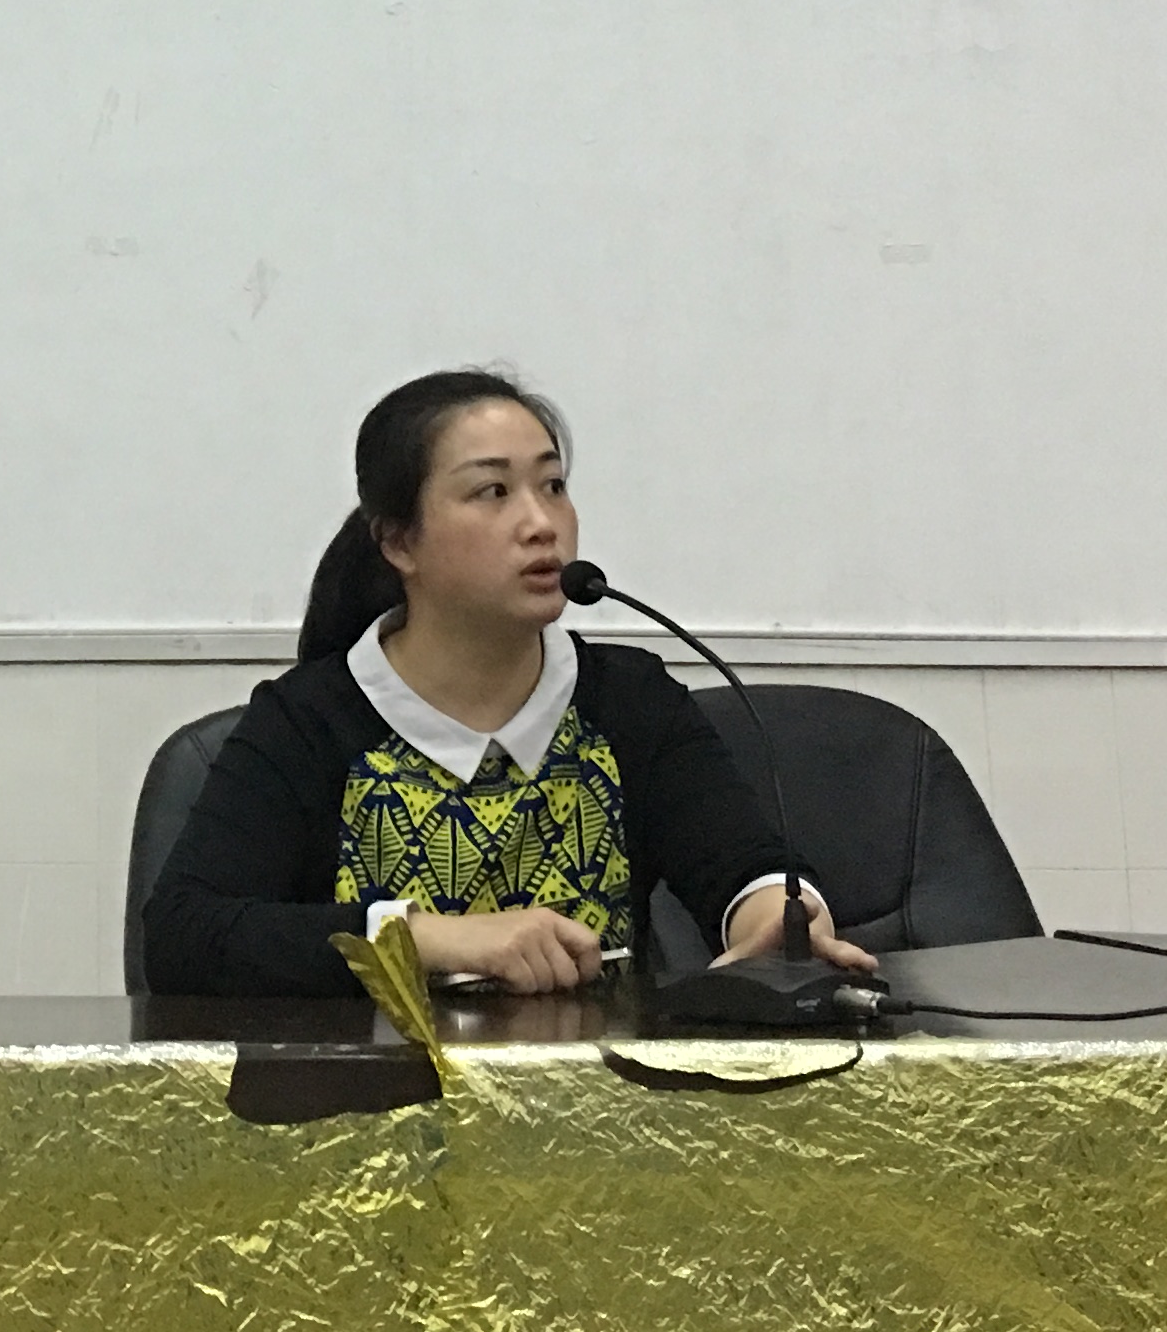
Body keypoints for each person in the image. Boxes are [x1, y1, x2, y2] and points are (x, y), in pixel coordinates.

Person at [138, 368, 879, 997]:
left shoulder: (628, 700)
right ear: (398, 541)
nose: (540, 523)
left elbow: (743, 866)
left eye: (553, 486)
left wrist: (774, 918)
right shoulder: (311, 721)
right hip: (375, 1109)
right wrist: (430, 940)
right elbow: (184, 935)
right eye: (492, 492)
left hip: (604, 1106)